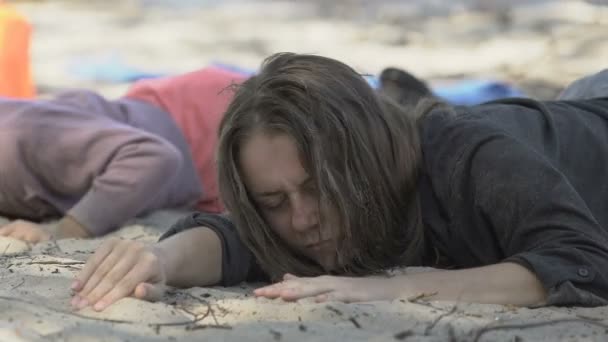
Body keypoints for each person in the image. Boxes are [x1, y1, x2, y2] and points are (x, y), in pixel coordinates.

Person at [70, 52, 608, 312]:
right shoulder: (309, 212)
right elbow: (236, 239)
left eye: (321, 188)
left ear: (365, 156)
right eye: (273, 200)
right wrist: (159, 261)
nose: (302, 220)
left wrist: (397, 285)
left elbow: (582, 263)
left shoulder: (466, 156)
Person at [0, 66, 246, 243]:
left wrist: (63, 231)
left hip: (205, 126)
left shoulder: (31, 140)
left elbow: (153, 156)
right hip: (171, 128)